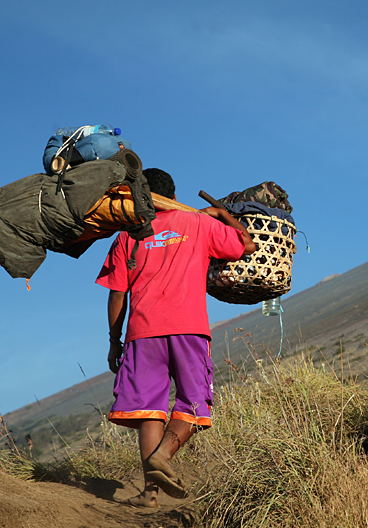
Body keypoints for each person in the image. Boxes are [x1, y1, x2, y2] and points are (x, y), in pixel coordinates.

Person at [96, 168, 256, 508]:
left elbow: (115, 295)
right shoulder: (198, 225)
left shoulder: (127, 237)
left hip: (141, 335)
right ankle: (164, 455)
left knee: (148, 410)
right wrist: (223, 215)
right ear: (172, 195)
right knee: (195, 402)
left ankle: (148, 495)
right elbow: (246, 245)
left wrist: (114, 340)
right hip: (188, 328)